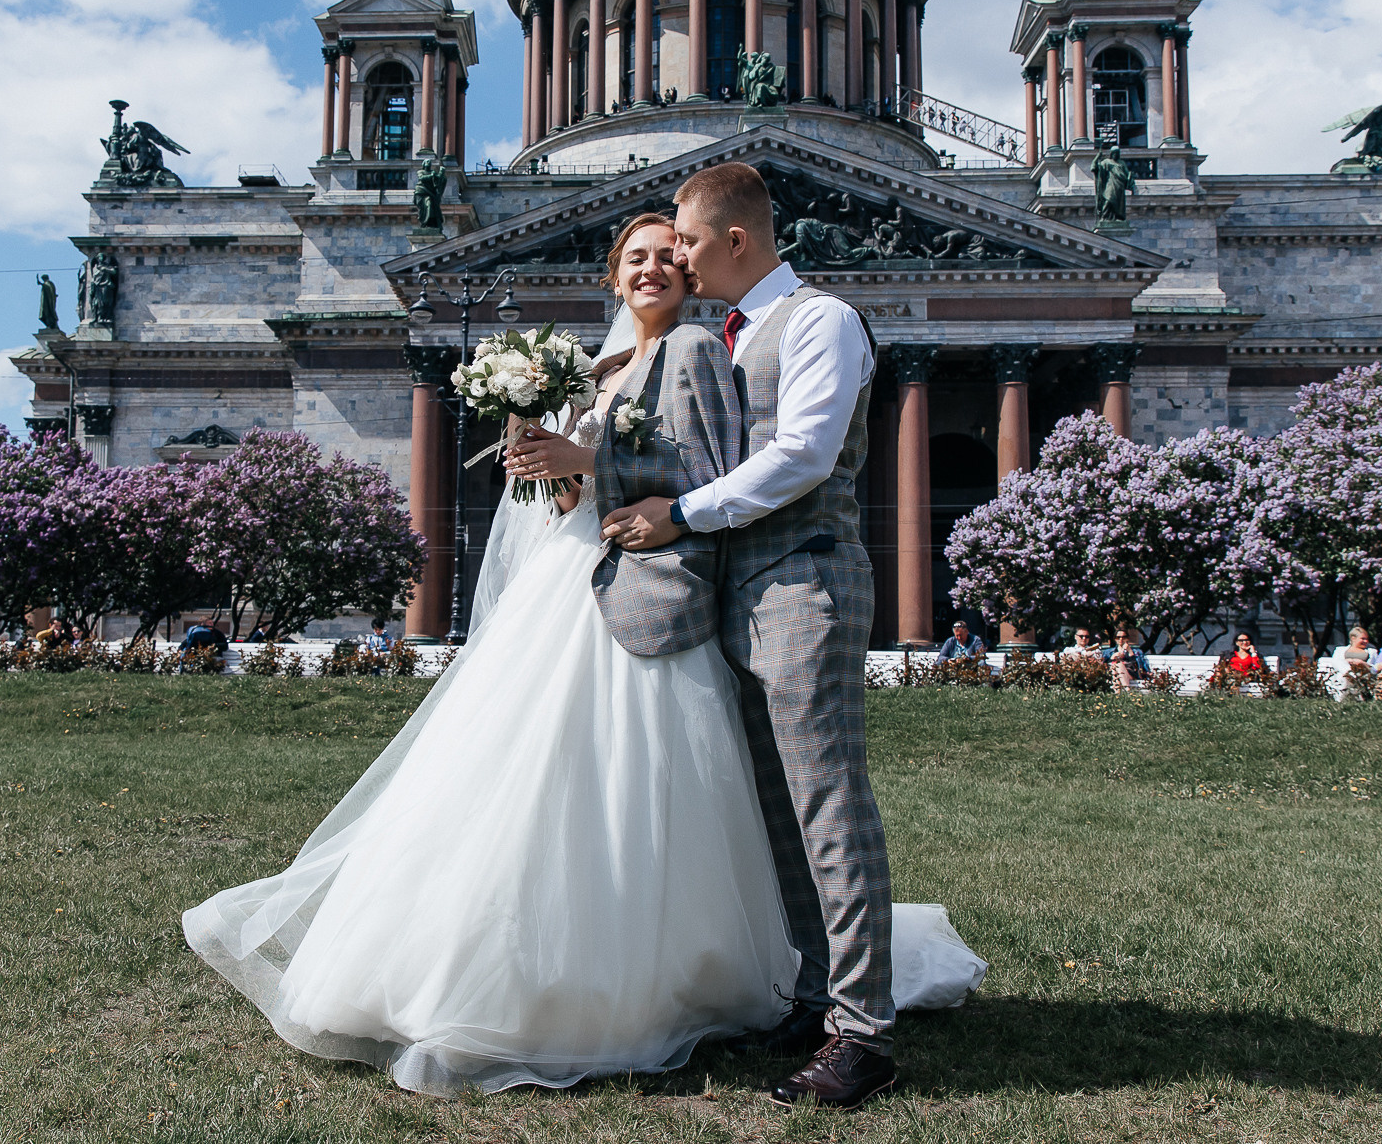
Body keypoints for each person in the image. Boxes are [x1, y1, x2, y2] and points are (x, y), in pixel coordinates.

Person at [185, 206, 984, 1104]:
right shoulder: (612, 363)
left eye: (673, 249)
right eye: (639, 255)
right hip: (598, 588)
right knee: (589, 791)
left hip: (723, 588)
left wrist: (599, 467)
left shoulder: (745, 336)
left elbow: (727, 463)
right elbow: (612, 487)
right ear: (611, 277)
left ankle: (852, 1023)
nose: (660, 263)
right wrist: (560, 468)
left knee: (765, 799)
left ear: (715, 249)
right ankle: (800, 991)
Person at [606, 162, 917, 1107]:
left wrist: (685, 515)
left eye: (690, 243)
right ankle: (818, 991)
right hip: (739, 592)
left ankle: (862, 1033)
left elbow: (803, 456)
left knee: (828, 802)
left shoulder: (821, 320)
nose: (681, 259)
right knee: (778, 808)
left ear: (735, 240)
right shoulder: (722, 341)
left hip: (807, 580)